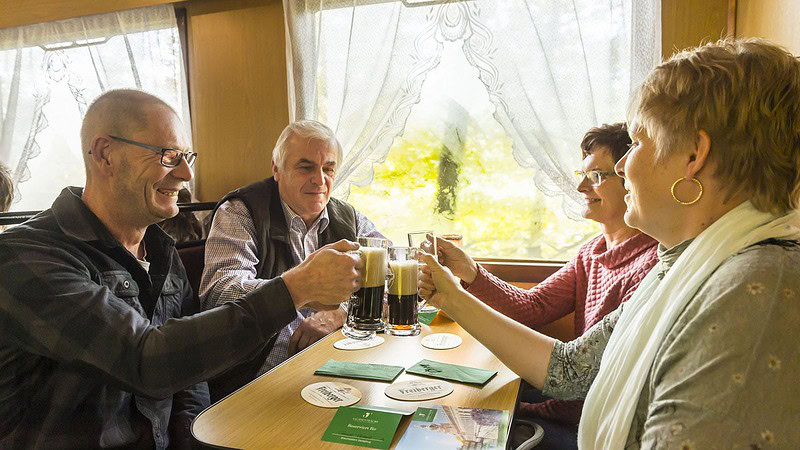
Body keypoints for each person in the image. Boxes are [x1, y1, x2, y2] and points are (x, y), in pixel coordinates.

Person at [420, 38, 800, 448]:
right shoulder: (677, 265)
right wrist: (451, 295)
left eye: (637, 142)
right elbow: (570, 370)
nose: (623, 165)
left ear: (694, 156)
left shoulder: (753, 288)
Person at [0, 90, 363, 449]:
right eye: (168, 156)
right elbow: (147, 361)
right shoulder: (25, 257)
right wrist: (294, 289)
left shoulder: (162, 252)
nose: (187, 173)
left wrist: (197, 442)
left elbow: (190, 380)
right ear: (104, 154)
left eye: (187, 156)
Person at [430, 123, 657, 445]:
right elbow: (533, 308)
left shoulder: (651, 265)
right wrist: (471, 272)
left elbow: (582, 379)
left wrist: (532, 408)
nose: (580, 187)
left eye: (596, 176)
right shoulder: (592, 252)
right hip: (567, 403)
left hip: (592, 423)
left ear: (631, 180)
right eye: (582, 174)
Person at [200, 119, 385, 399]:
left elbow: (392, 277)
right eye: (306, 167)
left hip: (336, 367)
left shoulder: (349, 219)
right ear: (277, 168)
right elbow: (219, 293)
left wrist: (341, 313)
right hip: (256, 377)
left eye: (328, 168)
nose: (320, 180)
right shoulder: (241, 211)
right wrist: (300, 290)